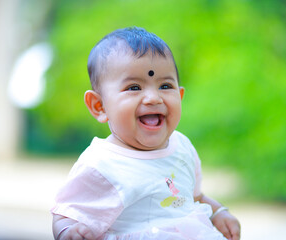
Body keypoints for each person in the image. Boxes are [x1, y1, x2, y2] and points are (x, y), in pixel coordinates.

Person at [51, 27, 240, 240]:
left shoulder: (182, 146)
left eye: (165, 85)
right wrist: (69, 231)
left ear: (180, 95)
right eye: (133, 87)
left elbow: (194, 198)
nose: (153, 98)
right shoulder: (102, 164)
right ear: (99, 106)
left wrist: (219, 212)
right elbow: (67, 213)